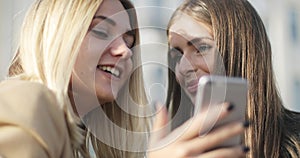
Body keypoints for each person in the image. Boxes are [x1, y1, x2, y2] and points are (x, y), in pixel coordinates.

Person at [0, 0, 151, 157]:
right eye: (101, 32)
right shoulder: (29, 99)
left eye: (128, 42)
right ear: (55, 36)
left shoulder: (71, 139)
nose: (125, 51)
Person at [153, 0, 300, 157]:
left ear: (243, 50)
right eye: (177, 56)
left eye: (201, 48)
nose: (183, 68)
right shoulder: (169, 149)